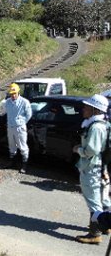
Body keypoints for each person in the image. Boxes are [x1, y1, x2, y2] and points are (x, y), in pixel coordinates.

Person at [73, 94, 109, 244]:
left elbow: (91, 150)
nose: (83, 109)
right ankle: (106, 225)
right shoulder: (103, 124)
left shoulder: (95, 127)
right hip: (100, 167)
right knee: (103, 198)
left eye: (87, 107)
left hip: (91, 168)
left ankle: (95, 233)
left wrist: (78, 149)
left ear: (95, 110)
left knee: (94, 201)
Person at [2, 83, 32, 174]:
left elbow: (29, 114)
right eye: (11, 93)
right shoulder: (7, 102)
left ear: (18, 92)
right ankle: (12, 162)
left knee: (22, 146)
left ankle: (24, 164)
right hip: (10, 126)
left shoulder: (24, 102)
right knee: (11, 145)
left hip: (20, 127)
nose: (13, 95)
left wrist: (22, 123)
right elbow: (4, 112)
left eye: (14, 93)